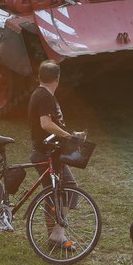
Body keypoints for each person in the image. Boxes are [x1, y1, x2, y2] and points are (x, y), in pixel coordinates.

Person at [27, 60, 83, 250]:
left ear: (39, 76)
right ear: (57, 78)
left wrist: (69, 135)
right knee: (69, 188)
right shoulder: (44, 96)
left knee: (53, 195)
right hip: (45, 153)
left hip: (48, 152)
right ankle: (57, 234)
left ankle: (54, 236)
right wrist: (69, 136)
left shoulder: (42, 94)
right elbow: (45, 123)